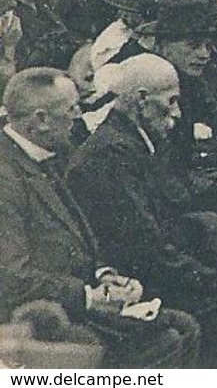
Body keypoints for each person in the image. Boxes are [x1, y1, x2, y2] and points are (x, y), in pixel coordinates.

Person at [67, 54, 217, 366]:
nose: (178, 113)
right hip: (135, 279)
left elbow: (174, 201)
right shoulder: (110, 157)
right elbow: (144, 248)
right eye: (170, 102)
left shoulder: (136, 138)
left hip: (159, 261)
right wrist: (215, 280)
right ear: (141, 100)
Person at [0, 67, 202, 367]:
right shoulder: (6, 176)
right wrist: (89, 296)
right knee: (168, 339)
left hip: (76, 297)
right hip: (40, 318)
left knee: (183, 327)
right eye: (72, 109)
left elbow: (79, 233)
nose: (79, 117)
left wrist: (105, 274)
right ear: (41, 120)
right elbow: (12, 278)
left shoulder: (51, 151)